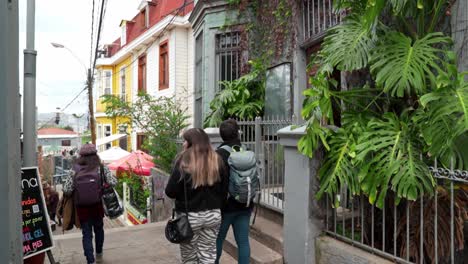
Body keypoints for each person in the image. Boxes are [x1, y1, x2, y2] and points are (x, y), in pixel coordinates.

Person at [165, 128, 228, 264]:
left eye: (185, 141)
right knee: (208, 255)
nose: (183, 144)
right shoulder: (217, 160)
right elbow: (224, 191)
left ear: (190, 143)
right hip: (213, 214)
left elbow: (170, 191)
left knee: (190, 258)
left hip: (190, 218)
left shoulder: (182, 162)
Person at [62, 144, 117, 264]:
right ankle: (99, 253)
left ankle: (90, 260)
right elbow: (113, 182)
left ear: (81, 156)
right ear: (95, 155)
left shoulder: (74, 169)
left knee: (86, 234)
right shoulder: (101, 167)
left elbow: (67, 190)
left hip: (82, 208)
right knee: (99, 229)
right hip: (97, 205)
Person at [215, 119, 253, 264]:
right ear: (238, 132)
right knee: (243, 242)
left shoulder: (219, 154)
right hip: (245, 203)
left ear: (221, 135)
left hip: (225, 207)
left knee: (218, 240)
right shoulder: (247, 150)